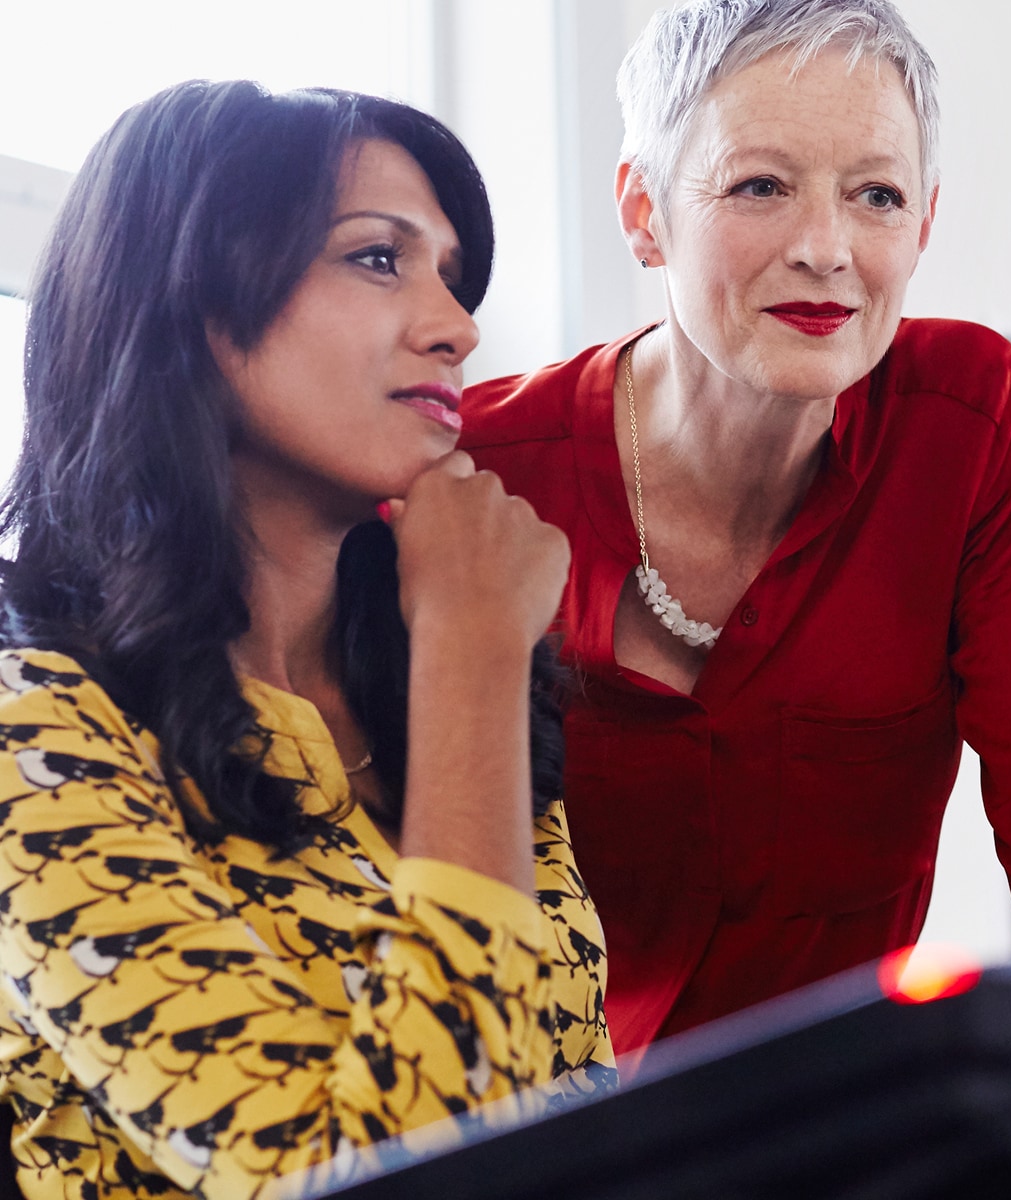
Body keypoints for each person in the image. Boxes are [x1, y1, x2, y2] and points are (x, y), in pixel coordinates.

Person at [460, 0, 1011, 1063]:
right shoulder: (471, 476)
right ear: (642, 209)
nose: (826, 250)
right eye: (760, 185)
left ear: (923, 225)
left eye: (875, 195)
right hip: (534, 1139)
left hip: (828, 1132)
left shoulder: (966, 425)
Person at [0, 80, 613, 1200]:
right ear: (191, 300)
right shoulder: (32, 721)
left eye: (451, 276)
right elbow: (366, 1179)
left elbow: (571, 1109)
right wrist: (474, 660)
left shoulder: (434, 671)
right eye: (379, 258)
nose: (458, 327)